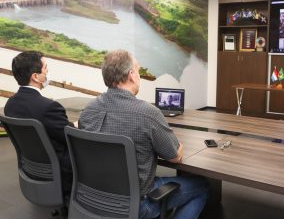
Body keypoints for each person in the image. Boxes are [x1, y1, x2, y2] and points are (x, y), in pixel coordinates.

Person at [79, 50, 209, 219]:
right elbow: (175, 157)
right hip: (137, 206)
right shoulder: (147, 113)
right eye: (139, 71)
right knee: (202, 187)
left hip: (92, 198)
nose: (139, 76)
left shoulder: (88, 111)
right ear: (131, 75)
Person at [4, 50, 74, 196]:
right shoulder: (49, 107)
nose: (48, 73)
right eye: (46, 69)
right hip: (59, 168)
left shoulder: (10, 104)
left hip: (31, 166)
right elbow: (70, 138)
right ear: (35, 77)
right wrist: (77, 125)